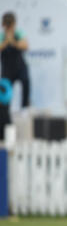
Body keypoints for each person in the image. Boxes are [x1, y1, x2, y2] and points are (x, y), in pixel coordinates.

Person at [0, 12, 30, 140]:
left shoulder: (19, 34)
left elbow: (25, 45)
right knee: (4, 95)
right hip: (7, 70)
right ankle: (5, 119)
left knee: (26, 80)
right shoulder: (2, 37)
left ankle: (24, 107)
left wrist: (13, 41)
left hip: (19, 67)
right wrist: (7, 41)